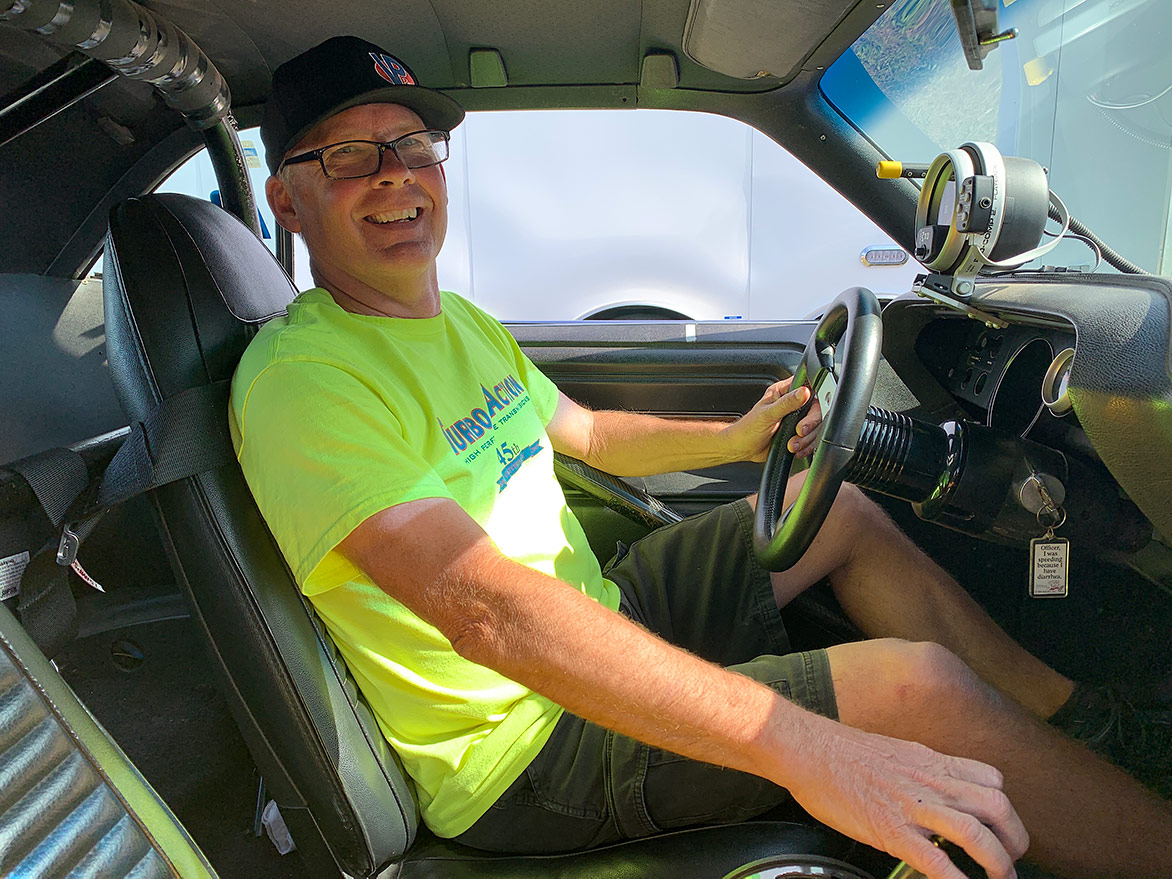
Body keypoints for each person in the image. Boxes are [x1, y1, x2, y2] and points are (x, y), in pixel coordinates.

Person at [231, 35, 1172, 879]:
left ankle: (1079, 718)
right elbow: (490, 614)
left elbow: (590, 435)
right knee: (914, 686)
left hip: (596, 604)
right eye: (352, 156)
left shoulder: (459, 322)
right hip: (521, 750)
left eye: (414, 149)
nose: (396, 177)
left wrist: (733, 439)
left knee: (833, 507)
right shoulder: (300, 381)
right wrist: (798, 743)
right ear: (286, 194)